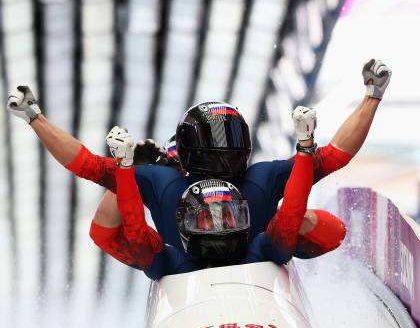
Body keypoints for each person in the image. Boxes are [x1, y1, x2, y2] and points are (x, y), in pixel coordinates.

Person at [6, 58, 391, 254]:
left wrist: (36, 119)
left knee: (312, 221)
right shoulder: (166, 181)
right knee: (109, 216)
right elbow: (335, 155)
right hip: (188, 274)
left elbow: (87, 165)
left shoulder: (258, 180)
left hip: (256, 270)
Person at [85, 106, 345, 279]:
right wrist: (131, 174)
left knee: (304, 222)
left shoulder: (259, 213)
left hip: (260, 289)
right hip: (192, 303)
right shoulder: (166, 254)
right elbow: (105, 232)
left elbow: (329, 229)